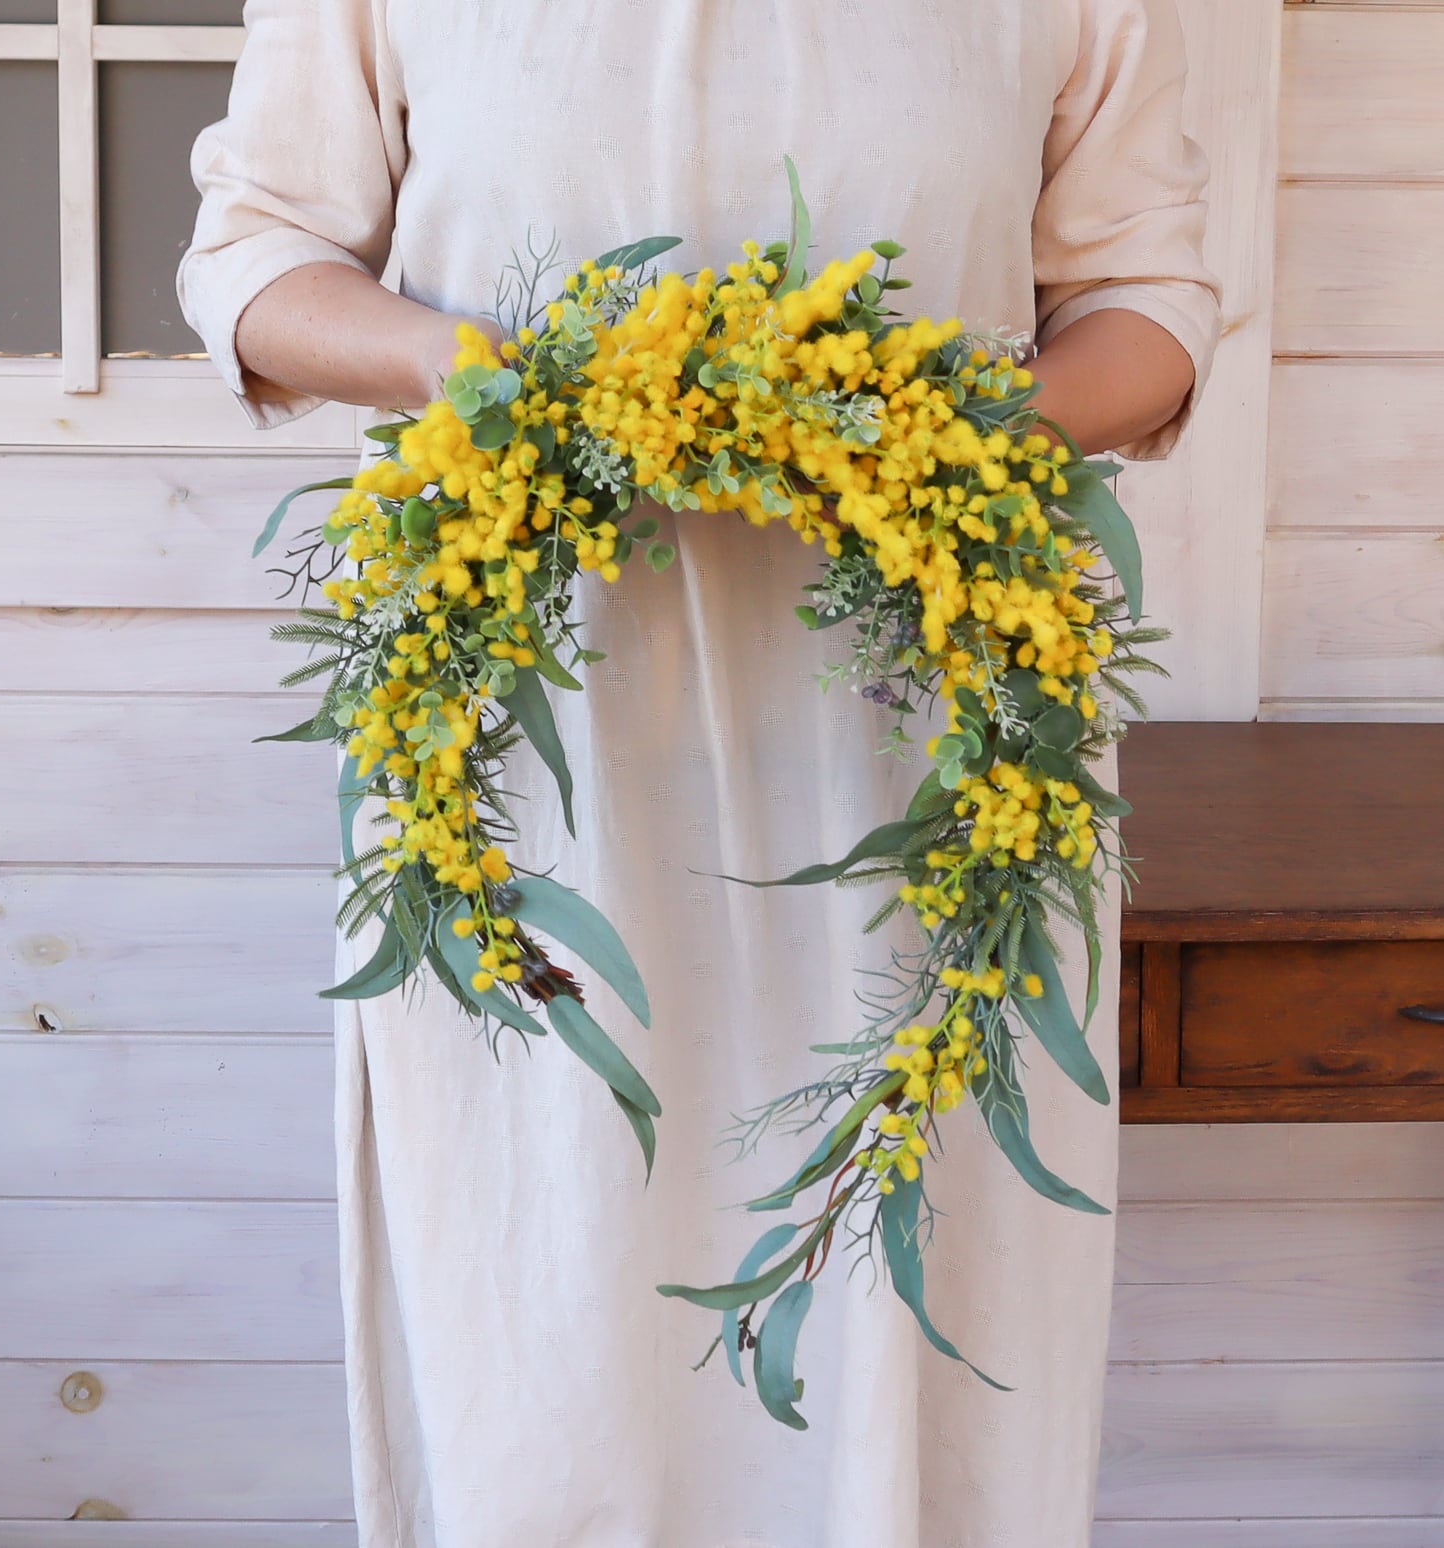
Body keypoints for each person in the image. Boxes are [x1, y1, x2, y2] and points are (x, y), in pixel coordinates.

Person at [177, 4, 1221, 1544]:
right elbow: (253, 258)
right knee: (549, 1317)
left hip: (934, 767)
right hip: (538, 769)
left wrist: (933, 436)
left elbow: (1151, 294)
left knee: (914, 1303)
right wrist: (460, 369)